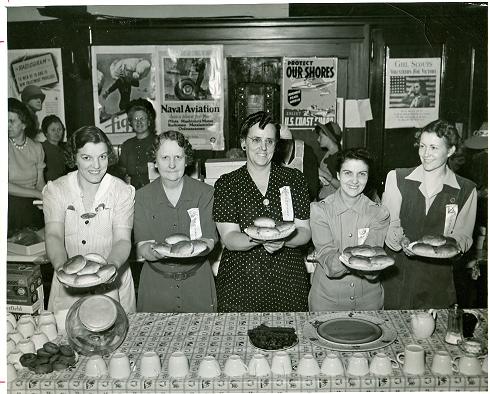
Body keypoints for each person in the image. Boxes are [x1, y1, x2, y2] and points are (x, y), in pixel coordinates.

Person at [213, 111, 312, 312]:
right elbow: (229, 238)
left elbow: (305, 231)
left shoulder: (294, 179)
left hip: (288, 281)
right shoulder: (227, 183)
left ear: (276, 145)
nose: (263, 147)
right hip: (240, 283)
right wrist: (263, 239)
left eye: (269, 141)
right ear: (243, 143)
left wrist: (283, 241)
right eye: (256, 140)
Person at [382, 119, 477, 309]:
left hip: (438, 283)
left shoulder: (466, 189)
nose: (426, 154)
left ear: (450, 151)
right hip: (398, 278)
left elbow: (463, 236)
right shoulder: (397, 178)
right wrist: (400, 241)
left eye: (434, 147)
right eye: (422, 146)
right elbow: (391, 224)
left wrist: (453, 246)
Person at [42, 126, 136, 314]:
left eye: (102, 156)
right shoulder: (56, 190)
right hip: (68, 290)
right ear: (74, 157)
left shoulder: (122, 191)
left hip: (113, 283)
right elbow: (53, 236)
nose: (96, 165)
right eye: (87, 158)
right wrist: (63, 270)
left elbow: (122, 240)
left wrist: (109, 270)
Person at [134, 131, 218, 312]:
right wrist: (158, 252)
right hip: (155, 286)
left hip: (197, 284)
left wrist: (189, 250)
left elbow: (209, 240)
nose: (172, 164)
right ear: (155, 161)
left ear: (186, 160)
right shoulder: (142, 197)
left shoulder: (205, 193)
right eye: (165, 157)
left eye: (178, 157)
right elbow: (143, 246)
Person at [309, 148, 390, 311]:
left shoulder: (379, 213)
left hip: (369, 302)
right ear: (338, 175)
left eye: (362, 174)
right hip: (326, 301)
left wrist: (371, 264)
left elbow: (373, 266)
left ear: (368, 177)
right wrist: (361, 261)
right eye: (348, 173)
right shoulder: (319, 210)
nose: (355, 180)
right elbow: (329, 263)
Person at [8, 98, 45, 237]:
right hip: (10, 203)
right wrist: (36, 194)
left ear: (24, 124)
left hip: (31, 203)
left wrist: (45, 197)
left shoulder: (36, 148)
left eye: (11, 121)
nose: (7, 125)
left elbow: (40, 183)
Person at [273, 124, 320, 201]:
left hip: (302, 200)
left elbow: (313, 185)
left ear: (289, 142)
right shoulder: (273, 153)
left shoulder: (305, 151)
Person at [118, 98, 156, 189]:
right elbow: (121, 172)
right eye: (135, 119)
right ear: (131, 123)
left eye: (142, 118)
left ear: (149, 121)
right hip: (133, 193)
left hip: (155, 191)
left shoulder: (159, 142)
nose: (139, 122)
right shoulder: (127, 145)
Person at [315, 122, 342, 200]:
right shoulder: (329, 153)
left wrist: (324, 174)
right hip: (325, 199)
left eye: (320, 136)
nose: (318, 139)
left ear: (329, 136)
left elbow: (343, 186)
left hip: (332, 202)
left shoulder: (336, 157)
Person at [40, 115, 67, 182]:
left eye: (59, 129)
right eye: (53, 130)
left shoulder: (62, 149)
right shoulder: (42, 148)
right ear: (46, 132)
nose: (57, 133)